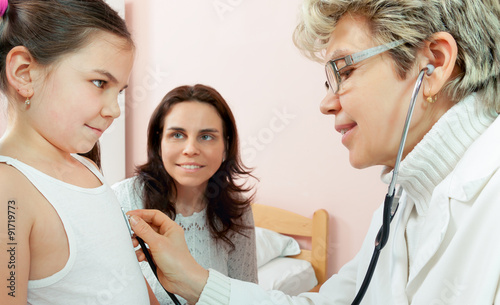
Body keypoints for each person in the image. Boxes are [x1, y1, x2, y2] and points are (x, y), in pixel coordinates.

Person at [126, 0, 500, 304]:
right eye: (176, 135)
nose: (325, 103)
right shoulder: (400, 203)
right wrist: (195, 281)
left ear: (433, 64)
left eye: (345, 70)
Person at [0, 0, 159, 304]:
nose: (114, 110)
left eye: (120, 92)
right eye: (100, 83)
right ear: (24, 73)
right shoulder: (8, 191)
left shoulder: (87, 168)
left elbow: (130, 279)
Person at [113, 84, 258, 304]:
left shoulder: (237, 211)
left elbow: (246, 297)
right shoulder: (121, 201)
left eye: (206, 136)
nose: (190, 149)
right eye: (177, 134)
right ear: (158, 142)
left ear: (226, 146)